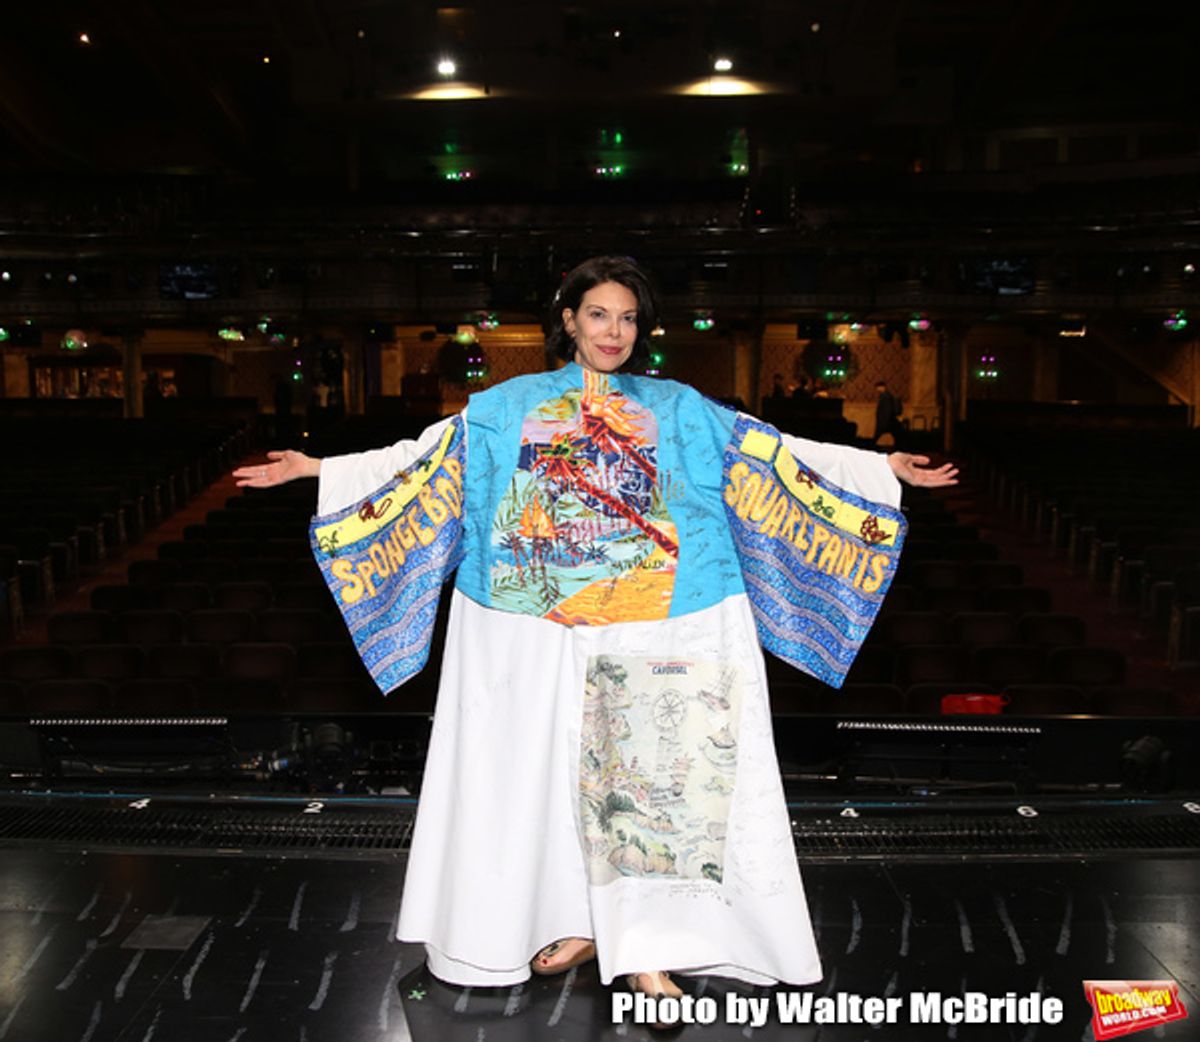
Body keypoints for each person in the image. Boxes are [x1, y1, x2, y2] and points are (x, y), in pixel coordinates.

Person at [234, 256, 957, 1013]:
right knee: (540, 780)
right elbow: (422, 462)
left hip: (656, 625)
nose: (616, 331)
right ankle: (580, 922)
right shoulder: (507, 405)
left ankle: (647, 950)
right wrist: (317, 469)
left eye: (629, 318)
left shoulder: (680, 407)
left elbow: (771, 452)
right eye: (600, 315)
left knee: (650, 784)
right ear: (570, 321)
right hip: (533, 625)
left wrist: (882, 469)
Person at [874, 380, 904, 446]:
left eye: (877, 387)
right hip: (887, 421)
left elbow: (887, 410)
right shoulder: (886, 396)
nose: (877, 390)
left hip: (885, 421)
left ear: (882, 387)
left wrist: (884, 421)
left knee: (879, 437)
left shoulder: (885, 397)